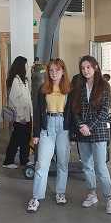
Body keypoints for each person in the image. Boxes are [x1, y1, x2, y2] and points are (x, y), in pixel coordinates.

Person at [26, 59, 73, 213]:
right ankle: (36, 197)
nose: (53, 73)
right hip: (47, 127)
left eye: (57, 70)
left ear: (63, 71)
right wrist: (36, 134)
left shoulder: (69, 90)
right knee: (41, 164)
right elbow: (37, 113)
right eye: (51, 70)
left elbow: (73, 113)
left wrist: (72, 135)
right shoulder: (43, 89)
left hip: (63, 128)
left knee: (63, 163)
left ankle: (60, 192)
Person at [71, 55, 111, 215]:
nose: (85, 70)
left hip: (99, 131)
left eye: (88, 67)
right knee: (87, 166)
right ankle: (92, 194)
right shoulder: (79, 85)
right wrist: (81, 126)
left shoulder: (104, 85)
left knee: (100, 167)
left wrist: (89, 126)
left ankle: (109, 198)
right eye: (83, 68)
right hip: (82, 131)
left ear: (95, 67)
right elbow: (74, 109)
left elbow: (104, 111)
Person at [3, 56, 32, 168]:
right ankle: (8, 161)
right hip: (20, 117)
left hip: (27, 115)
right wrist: (21, 116)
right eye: (26, 65)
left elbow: (27, 98)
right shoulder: (15, 80)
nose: (28, 66)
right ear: (21, 66)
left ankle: (24, 160)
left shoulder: (24, 80)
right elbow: (13, 100)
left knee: (26, 138)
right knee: (16, 139)